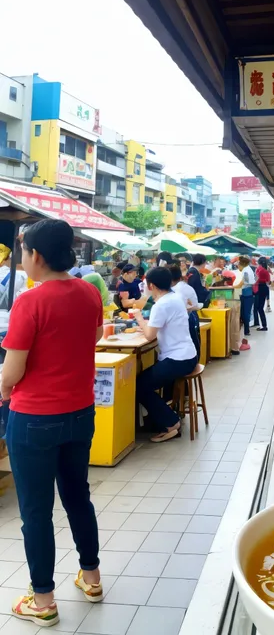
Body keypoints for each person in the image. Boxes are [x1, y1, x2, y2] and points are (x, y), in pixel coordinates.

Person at [1, 219, 104, 626]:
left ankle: (42, 601)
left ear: (36, 256)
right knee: (78, 495)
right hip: (80, 413)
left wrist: (5, 389)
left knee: (37, 511)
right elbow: (94, 336)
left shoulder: (30, 301)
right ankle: (91, 577)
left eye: (24, 253)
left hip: (34, 419)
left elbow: (11, 372)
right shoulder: (89, 291)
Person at [135, 267, 198, 442]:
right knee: (145, 380)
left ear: (152, 285)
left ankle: (171, 424)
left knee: (140, 385)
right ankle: (158, 418)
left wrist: (138, 317)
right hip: (188, 355)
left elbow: (149, 335)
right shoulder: (174, 297)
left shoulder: (161, 304)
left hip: (178, 360)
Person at [169, 263, 202, 356]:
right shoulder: (187, 288)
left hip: (186, 317)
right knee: (193, 341)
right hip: (191, 316)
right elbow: (195, 303)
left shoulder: (173, 290)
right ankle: (195, 362)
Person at [238, 256, 254, 337]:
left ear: (242, 264)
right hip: (247, 293)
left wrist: (236, 286)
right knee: (245, 313)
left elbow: (245, 281)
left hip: (247, 293)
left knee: (245, 313)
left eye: (238, 264)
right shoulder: (248, 269)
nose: (238, 266)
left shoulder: (246, 270)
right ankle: (246, 330)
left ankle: (246, 330)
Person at [254, 257, 270, 332]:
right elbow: (268, 280)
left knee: (259, 308)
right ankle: (263, 324)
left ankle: (264, 325)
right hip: (264, 288)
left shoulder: (259, 269)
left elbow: (256, 279)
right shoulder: (266, 270)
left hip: (259, 288)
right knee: (260, 307)